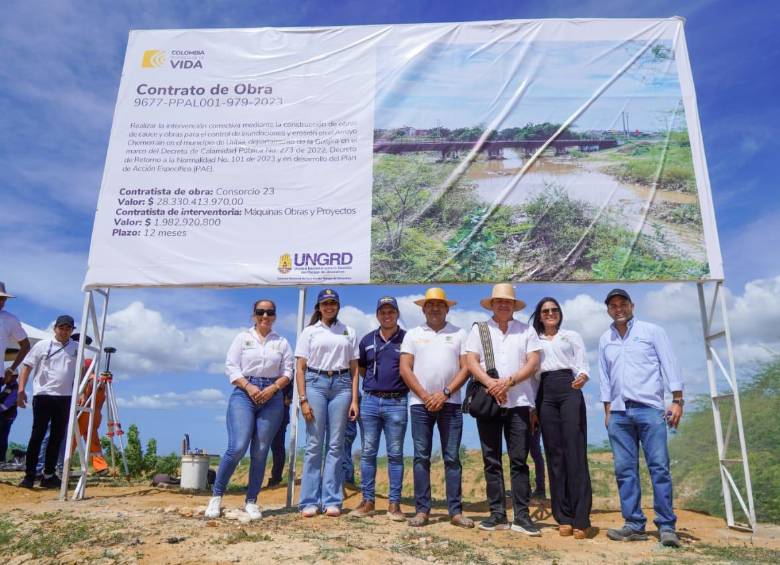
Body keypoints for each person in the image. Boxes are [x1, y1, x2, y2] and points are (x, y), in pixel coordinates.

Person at [599, 288, 684, 548]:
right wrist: (607, 412)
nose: (618, 308)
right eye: (613, 305)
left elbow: (670, 364)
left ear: (632, 305)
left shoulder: (652, 331)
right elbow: (605, 377)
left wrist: (677, 400)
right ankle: (634, 524)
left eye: (622, 303)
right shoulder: (605, 339)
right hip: (619, 413)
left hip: (649, 410)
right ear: (608, 310)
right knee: (625, 471)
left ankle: (667, 526)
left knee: (659, 467)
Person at [465, 284, 542, 536]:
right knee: (491, 460)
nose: (503, 305)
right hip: (489, 401)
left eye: (507, 301)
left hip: (519, 402)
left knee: (519, 461)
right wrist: (490, 384)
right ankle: (497, 514)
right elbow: (471, 360)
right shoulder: (480, 329)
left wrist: (508, 382)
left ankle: (522, 516)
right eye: (499, 301)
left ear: (513, 305)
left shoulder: (527, 330)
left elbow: (533, 362)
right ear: (492, 304)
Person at [206, 299, 293, 520]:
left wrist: (273, 388)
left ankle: (252, 500)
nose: (265, 316)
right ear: (253, 315)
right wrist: (249, 386)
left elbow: (288, 371)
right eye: (260, 312)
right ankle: (216, 496)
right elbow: (231, 367)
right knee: (237, 446)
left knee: (261, 450)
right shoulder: (242, 338)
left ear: (275, 316)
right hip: (244, 393)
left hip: (272, 396)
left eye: (270, 312)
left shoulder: (281, 342)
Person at [400, 287, 472, 529]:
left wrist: (445, 393)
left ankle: (456, 511)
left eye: (439, 304)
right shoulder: (412, 334)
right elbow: (405, 368)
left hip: (450, 404)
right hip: (420, 405)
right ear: (423, 309)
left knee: (452, 458)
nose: (434, 308)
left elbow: (466, 368)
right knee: (421, 457)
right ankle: (422, 510)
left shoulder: (460, 333)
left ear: (447, 308)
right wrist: (425, 395)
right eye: (430, 304)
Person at [531, 296, 592, 539]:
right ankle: (563, 516)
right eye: (545, 310)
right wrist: (533, 407)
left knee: (574, 452)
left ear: (560, 313)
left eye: (554, 310)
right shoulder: (533, 340)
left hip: (570, 389)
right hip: (545, 394)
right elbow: (533, 375)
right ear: (539, 315)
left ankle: (581, 518)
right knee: (554, 455)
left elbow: (583, 365)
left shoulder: (572, 336)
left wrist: (583, 376)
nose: (550, 313)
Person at [295, 289, 360, 517]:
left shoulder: (348, 331)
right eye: (325, 303)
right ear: (319, 307)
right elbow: (300, 368)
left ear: (338, 306)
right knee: (314, 444)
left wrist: (354, 399)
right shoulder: (310, 332)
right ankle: (309, 501)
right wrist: (302, 399)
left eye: (333, 303)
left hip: (342, 386)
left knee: (335, 445)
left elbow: (354, 369)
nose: (329, 307)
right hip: (315, 383)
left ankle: (332, 500)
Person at [350, 296, 408, 521]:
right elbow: (361, 368)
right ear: (377, 315)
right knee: (367, 453)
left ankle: (394, 505)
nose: (387, 315)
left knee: (395, 454)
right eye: (383, 312)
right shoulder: (366, 340)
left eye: (391, 311)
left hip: (397, 402)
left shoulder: (407, 339)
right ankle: (368, 501)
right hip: (371, 401)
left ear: (397, 314)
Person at [17, 315, 78, 489]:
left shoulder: (76, 348)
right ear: (55, 328)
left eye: (68, 328)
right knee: (37, 435)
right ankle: (29, 475)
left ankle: (49, 475)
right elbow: (27, 366)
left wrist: (79, 392)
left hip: (65, 397)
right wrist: (21, 390)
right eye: (62, 328)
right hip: (43, 395)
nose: (64, 331)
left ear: (72, 330)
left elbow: (79, 371)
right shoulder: (42, 345)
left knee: (57, 437)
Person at [1, 282, 30, 384]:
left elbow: (26, 345)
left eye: (3, 298)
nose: (1, 301)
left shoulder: (10, 319)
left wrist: (11, 369)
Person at [267, 381, 293, 487]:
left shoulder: (289, 367)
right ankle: (254, 480)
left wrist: (289, 397)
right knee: (259, 446)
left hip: (282, 408)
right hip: (265, 405)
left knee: (277, 445)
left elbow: (293, 381)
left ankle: (276, 478)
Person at [0, 370, 19, 462]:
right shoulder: (7, 386)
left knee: (2, 437)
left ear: (13, 376)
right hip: (4, 416)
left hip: (7, 416)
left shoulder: (14, 387)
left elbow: (8, 404)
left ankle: (1, 460)